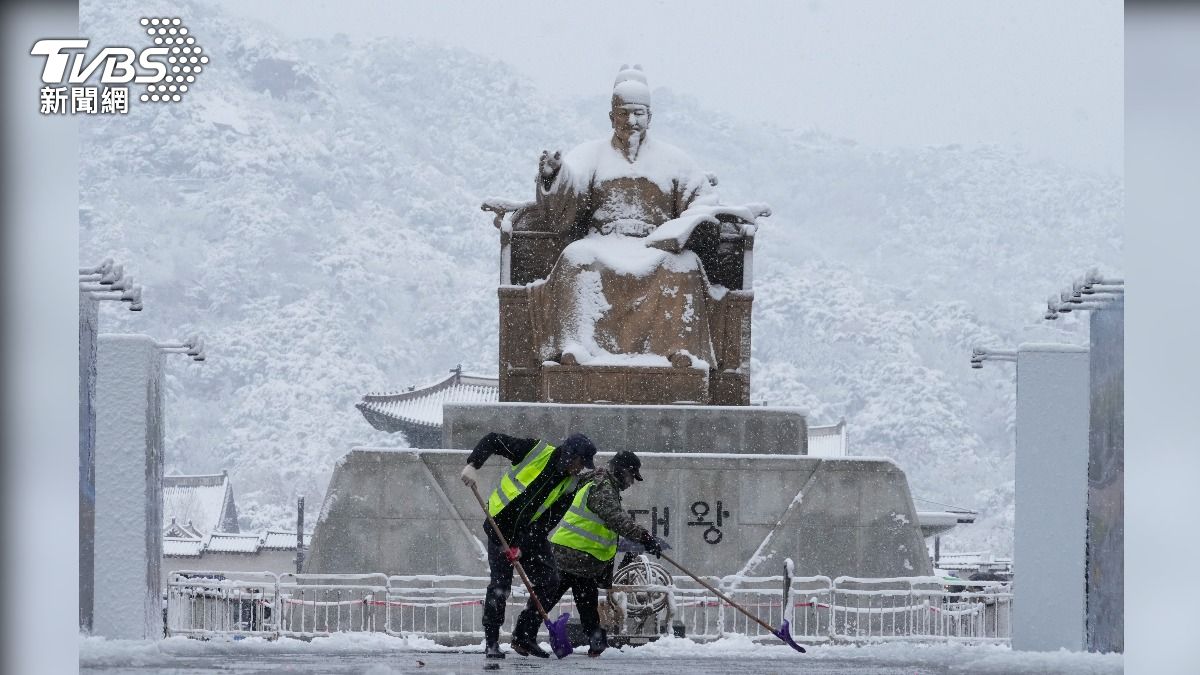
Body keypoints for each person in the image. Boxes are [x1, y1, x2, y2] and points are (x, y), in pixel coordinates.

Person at [526, 64, 732, 370]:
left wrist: (688, 225)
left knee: (685, 265)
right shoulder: (591, 154)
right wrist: (554, 175)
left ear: (650, 117)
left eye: (638, 113)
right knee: (575, 257)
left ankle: (678, 351)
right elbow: (569, 192)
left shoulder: (674, 160)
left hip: (655, 246)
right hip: (604, 241)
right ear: (612, 117)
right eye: (623, 113)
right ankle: (577, 347)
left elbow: (702, 200)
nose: (631, 121)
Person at [459, 431, 597, 660]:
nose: (580, 469)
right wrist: (474, 464)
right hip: (499, 527)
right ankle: (492, 642)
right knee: (500, 586)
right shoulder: (536, 451)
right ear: (570, 455)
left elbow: (549, 520)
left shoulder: (570, 484)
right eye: (580, 462)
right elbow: (493, 439)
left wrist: (522, 546)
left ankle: (524, 635)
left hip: (529, 534)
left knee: (550, 580)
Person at [511, 450, 662, 657]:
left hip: (582, 558)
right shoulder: (602, 486)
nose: (631, 482)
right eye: (630, 476)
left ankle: (594, 641)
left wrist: (643, 539)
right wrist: (645, 537)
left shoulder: (598, 483)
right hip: (571, 554)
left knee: (582, 600)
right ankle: (524, 637)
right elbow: (615, 518)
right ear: (620, 470)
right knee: (550, 597)